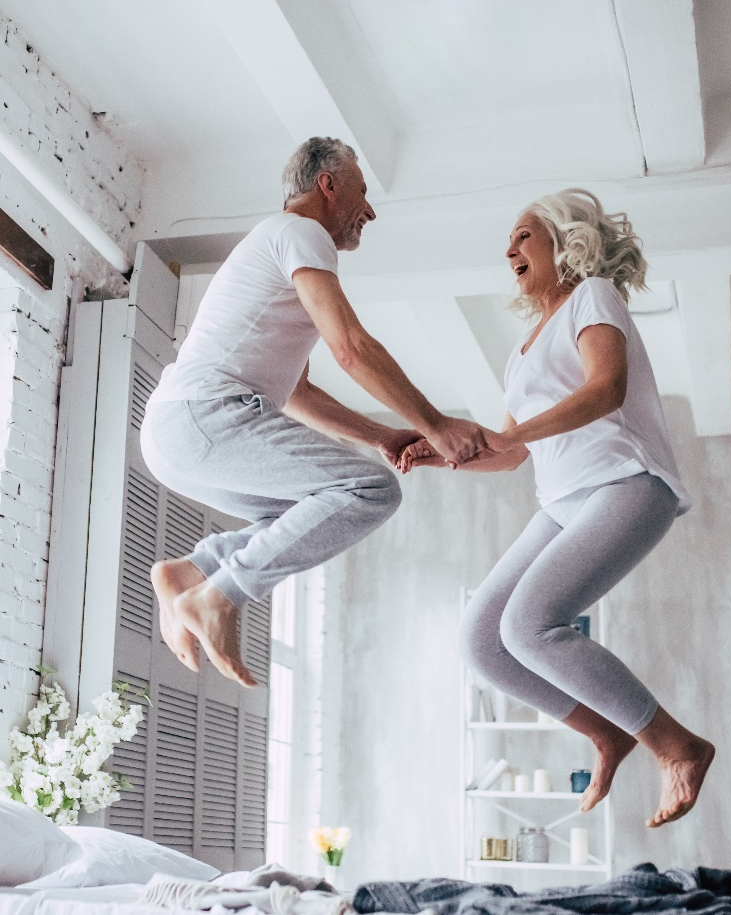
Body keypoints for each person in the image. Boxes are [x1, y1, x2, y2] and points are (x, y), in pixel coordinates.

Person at [398, 189, 714, 828]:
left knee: (528, 625)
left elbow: (607, 388)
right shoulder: (520, 351)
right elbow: (511, 454)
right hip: (562, 501)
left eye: (522, 236)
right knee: (481, 639)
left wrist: (509, 436)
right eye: (509, 242)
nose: (509, 250)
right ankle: (606, 732)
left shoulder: (592, 296)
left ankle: (677, 746)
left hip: (625, 484)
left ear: (564, 241)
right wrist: (441, 454)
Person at [141, 136, 489, 688]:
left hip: (178, 430)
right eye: (363, 193)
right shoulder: (300, 232)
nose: (369, 211)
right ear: (328, 185)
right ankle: (220, 596)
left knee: (306, 513)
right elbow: (350, 347)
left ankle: (194, 572)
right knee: (371, 491)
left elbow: (298, 393)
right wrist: (436, 425)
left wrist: (379, 435)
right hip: (204, 416)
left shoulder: (277, 246)